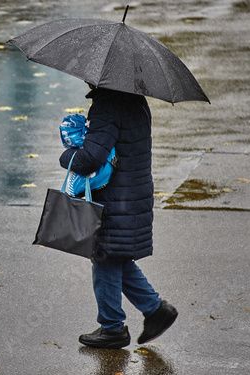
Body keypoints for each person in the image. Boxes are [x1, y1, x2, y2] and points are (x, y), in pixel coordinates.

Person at [59, 84, 178, 349]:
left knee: (104, 256)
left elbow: (90, 157)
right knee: (114, 256)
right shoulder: (135, 100)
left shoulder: (107, 105)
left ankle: (112, 328)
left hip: (115, 198)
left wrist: (66, 155)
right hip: (133, 194)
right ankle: (155, 309)